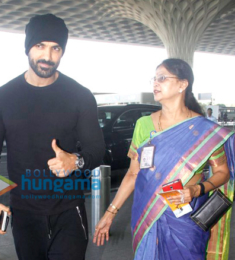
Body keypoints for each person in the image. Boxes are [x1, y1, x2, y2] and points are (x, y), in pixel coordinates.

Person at [0, 14, 105, 260]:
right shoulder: (1, 98)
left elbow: (96, 150)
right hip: (24, 214)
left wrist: (75, 161)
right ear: (28, 48)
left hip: (69, 210)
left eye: (55, 48)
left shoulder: (80, 96)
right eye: (40, 46)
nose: (47, 56)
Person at [93, 58, 234, 260]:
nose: (155, 83)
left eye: (162, 78)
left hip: (187, 214)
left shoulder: (204, 130)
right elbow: (133, 174)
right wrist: (109, 214)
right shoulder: (143, 125)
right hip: (147, 210)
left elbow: (222, 173)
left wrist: (195, 190)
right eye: (154, 78)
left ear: (182, 84)